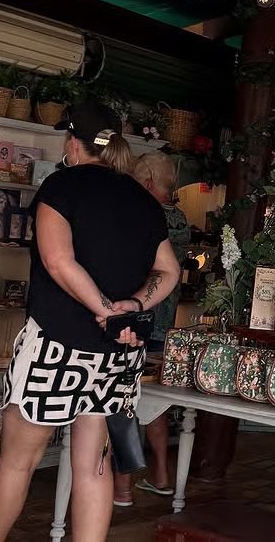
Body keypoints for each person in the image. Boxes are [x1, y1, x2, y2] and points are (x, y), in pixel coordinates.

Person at [0, 101, 181, 542]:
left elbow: (58, 261)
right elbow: (169, 271)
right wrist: (131, 305)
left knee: (18, 463)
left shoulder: (62, 186)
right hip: (117, 354)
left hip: (57, 343)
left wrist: (102, 308)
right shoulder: (143, 200)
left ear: (73, 142)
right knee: (94, 467)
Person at [113, 152, 190, 506]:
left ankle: (122, 489)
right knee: (154, 405)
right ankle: (160, 475)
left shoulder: (141, 213)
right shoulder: (180, 220)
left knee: (120, 399)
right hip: (164, 326)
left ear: (144, 182)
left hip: (134, 320)